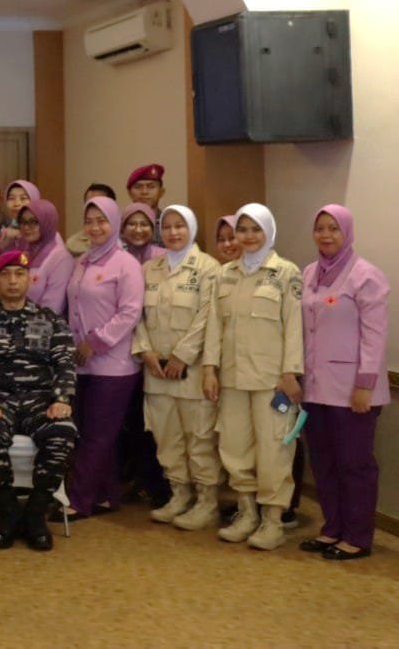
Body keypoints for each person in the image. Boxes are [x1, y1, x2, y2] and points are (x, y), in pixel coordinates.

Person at [0, 250, 77, 551]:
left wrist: (62, 399)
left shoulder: (50, 320)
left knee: (63, 433)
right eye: (5, 275)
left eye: (19, 274)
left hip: (41, 400)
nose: (13, 281)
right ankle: (8, 511)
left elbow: (65, 363)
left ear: (29, 279)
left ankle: (36, 513)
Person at [300, 204, 388, 561]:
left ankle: (357, 536)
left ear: (347, 232)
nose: (326, 235)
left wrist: (365, 384)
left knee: (354, 464)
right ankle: (332, 528)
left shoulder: (366, 276)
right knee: (323, 462)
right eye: (320, 228)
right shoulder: (309, 273)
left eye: (333, 228)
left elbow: (375, 335)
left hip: (354, 391)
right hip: (315, 387)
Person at [214, 204, 303, 550]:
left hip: (271, 382)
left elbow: (294, 326)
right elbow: (214, 328)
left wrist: (290, 371)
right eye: (242, 229)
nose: (248, 236)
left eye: (255, 229)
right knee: (234, 448)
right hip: (233, 378)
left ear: (269, 231)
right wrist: (209, 368)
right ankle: (247, 513)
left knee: (274, 451)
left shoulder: (286, 272)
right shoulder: (226, 274)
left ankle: (272, 521)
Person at [133, 205, 222, 530]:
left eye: (179, 226)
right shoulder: (148, 269)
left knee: (198, 439)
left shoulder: (208, 268)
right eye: (167, 226)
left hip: (192, 373)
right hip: (156, 373)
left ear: (192, 229)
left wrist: (182, 355)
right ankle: (179, 494)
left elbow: (208, 317)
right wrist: (145, 351)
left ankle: (207, 502)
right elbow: (136, 315)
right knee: (166, 438)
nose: (173, 232)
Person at [65, 196, 145, 519]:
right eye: (89, 221)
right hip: (82, 362)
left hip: (114, 364)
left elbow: (130, 313)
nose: (95, 227)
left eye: (102, 221)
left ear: (114, 224)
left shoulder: (126, 264)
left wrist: (95, 342)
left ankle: (79, 501)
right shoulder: (83, 260)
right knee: (93, 431)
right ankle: (108, 494)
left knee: (98, 435)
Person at [18, 200, 71, 315]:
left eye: (34, 222)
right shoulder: (25, 253)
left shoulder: (60, 258)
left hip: (43, 323)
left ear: (47, 223)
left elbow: (52, 309)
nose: (26, 227)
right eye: (23, 222)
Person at [66, 183, 118, 256]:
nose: (93, 206)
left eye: (100, 203)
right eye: (89, 203)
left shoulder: (126, 242)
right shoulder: (72, 244)